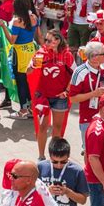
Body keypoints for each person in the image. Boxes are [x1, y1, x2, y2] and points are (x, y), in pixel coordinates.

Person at [29, 29, 75, 159]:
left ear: (58, 41)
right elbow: (28, 72)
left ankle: (54, 156)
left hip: (59, 97)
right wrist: (32, 66)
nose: (46, 43)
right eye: (46, 40)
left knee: (57, 128)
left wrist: (66, 91)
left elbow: (75, 74)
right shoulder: (40, 53)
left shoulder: (67, 55)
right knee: (42, 126)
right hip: (43, 96)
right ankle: (41, 156)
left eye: (49, 40)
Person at [0, 0, 39, 119]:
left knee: (21, 82)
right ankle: (32, 108)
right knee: (29, 81)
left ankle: (23, 110)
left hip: (19, 53)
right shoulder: (34, 17)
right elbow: (39, 35)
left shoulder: (17, 21)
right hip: (31, 51)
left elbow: (12, 41)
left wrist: (3, 26)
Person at [69, 41, 104, 149]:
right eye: (103, 54)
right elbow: (72, 98)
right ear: (94, 57)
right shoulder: (80, 72)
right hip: (88, 119)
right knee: (90, 151)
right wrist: (94, 94)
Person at [37, 137, 88, 206]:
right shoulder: (40, 167)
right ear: (50, 156)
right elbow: (30, 194)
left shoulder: (77, 171)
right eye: (54, 162)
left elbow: (83, 200)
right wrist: (47, 191)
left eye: (63, 162)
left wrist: (67, 192)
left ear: (68, 156)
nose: (59, 165)